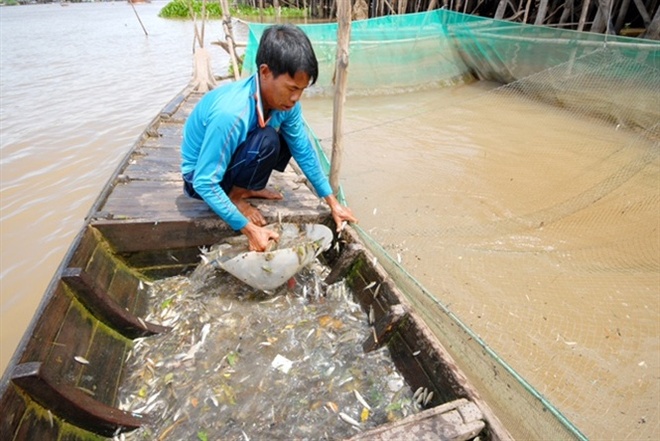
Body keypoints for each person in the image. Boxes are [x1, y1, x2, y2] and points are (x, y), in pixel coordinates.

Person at [181, 24, 358, 252]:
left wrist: (332, 201)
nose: (295, 98)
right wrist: (248, 229)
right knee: (267, 139)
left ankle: (243, 188)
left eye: (302, 90)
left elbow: (302, 150)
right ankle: (235, 196)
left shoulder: (287, 106)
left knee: (289, 139)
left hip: (227, 163)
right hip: (198, 179)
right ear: (265, 72)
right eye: (291, 88)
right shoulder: (231, 114)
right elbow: (203, 182)